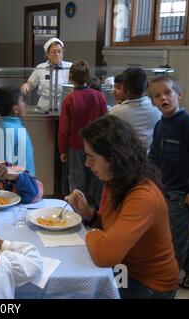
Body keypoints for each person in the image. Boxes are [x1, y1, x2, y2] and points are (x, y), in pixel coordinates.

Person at [65, 115, 179, 299]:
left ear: (113, 158)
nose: (87, 163)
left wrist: (92, 233)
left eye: (91, 157)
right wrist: (89, 215)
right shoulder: (117, 180)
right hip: (126, 269)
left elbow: (106, 255)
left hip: (148, 284)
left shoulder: (143, 196)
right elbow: (114, 227)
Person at [148, 75, 189, 290]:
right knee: (180, 233)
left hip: (182, 194)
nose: (163, 98)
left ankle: (167, 282)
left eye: (168, 92)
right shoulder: (160, 125)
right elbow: (154, 157)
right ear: (153, 102)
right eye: (157, 96)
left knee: (174, 241)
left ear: (179, 94)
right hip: (163, 189)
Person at [58, 60, 107, 206]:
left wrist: (62, 150)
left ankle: (77, 210)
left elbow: (64, 128)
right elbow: (105, 122)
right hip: (97, 146)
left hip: (76, 147)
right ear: (88, 77)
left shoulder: (69, 100)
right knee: (98, 178)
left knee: (77, 179)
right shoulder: (99, 96)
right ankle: (99, 211)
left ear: (70, 78)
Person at [109, 67, 161, 150]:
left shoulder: (115, 112)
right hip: (150, 157)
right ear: (148, 84)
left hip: (127, 157)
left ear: (124, 89)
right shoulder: (157, 108)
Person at [0, 86, 35, 175]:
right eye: (22, 101)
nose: (25, 104)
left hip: (27, 182)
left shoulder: (15, 126)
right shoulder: (7, 131)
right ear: (15, 109)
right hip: (19, 185)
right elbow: (3, 167)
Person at [20, 37, 72, 111]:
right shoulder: (41, 67)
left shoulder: (70, 67)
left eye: (59, 51)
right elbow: (30, 84)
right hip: (44, 106)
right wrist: (26, 86)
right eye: (54, 52)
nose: (57, 54)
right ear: (47, 54)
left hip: (63, 105)